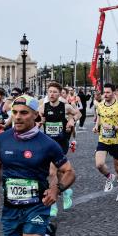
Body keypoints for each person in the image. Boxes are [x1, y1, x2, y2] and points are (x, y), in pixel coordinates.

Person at [0, 94, 75, 236]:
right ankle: (48, 234)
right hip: (11, 209)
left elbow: (69, 172)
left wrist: (56, 190)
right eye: (15, 112)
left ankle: (44, 230)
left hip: (36, 207)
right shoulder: (2, 139)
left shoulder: (48, 144)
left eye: (24, 113)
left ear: (35, 115)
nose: (18, 117)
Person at [39, 82, 80, 215]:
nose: (52, 94)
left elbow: (78, 113)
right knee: (57, 172)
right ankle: (66, 190)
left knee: (52, 171)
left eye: (55, 92)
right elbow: (39, 121)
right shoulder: (43, 107)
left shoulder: (65, 106)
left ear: (59, 93)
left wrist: (72, 120)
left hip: (61, 143)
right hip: (47, 143)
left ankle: (53, 203)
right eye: (50, 91)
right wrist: (39, 123)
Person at [92, 84, 118, 201]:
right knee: (99, 164)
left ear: (114, 92)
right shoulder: (100, 106)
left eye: (108, 92)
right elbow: (99, 118)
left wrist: (114, 127)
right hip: (103, 139)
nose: (106, 95)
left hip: (116, 141)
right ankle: (109, 176)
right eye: (105, 93)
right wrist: (96, 126)